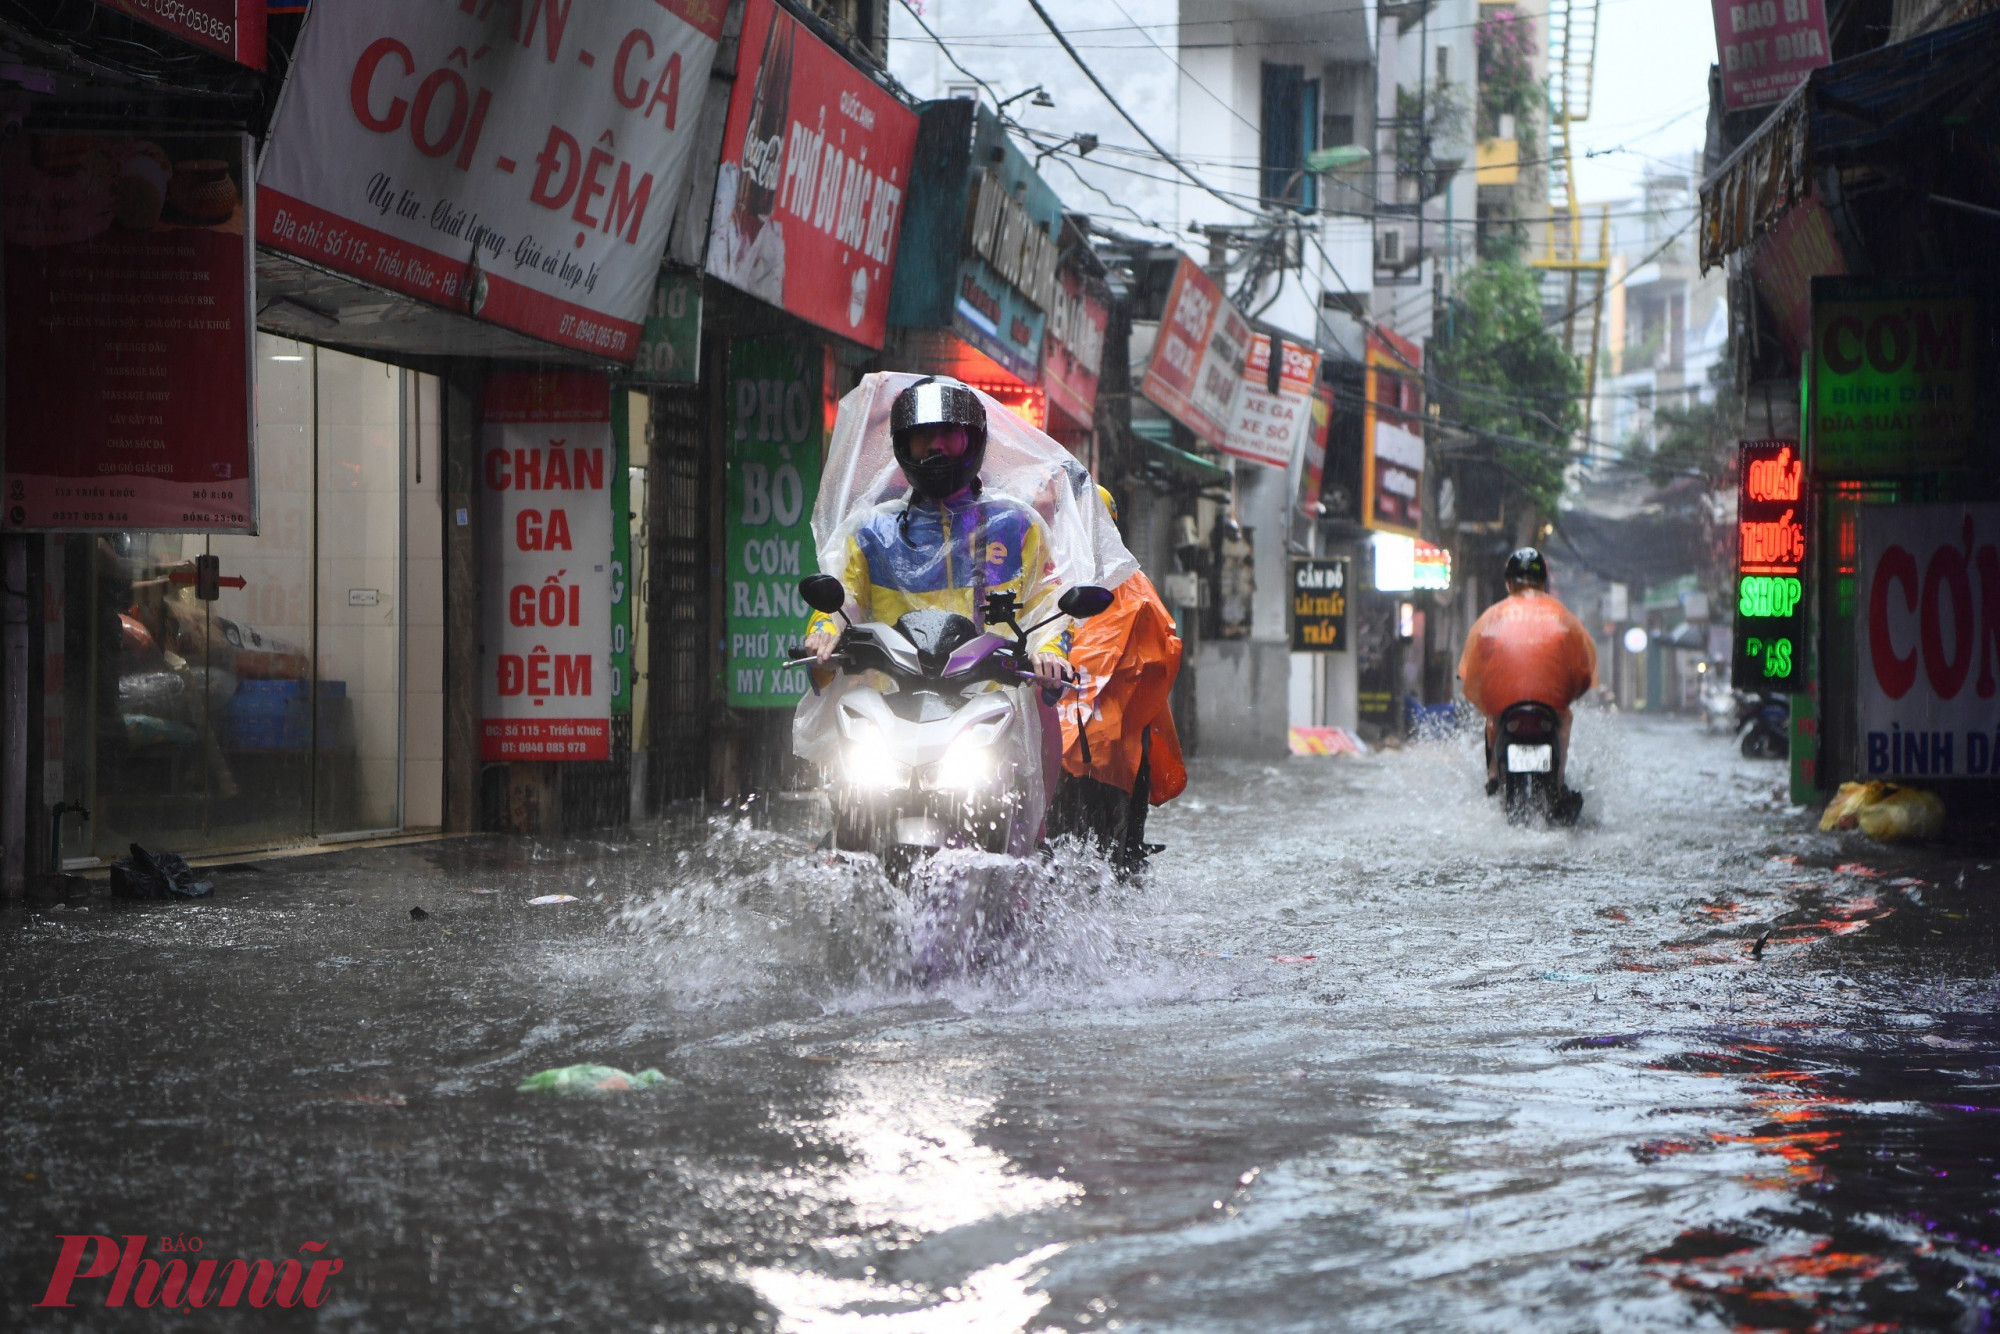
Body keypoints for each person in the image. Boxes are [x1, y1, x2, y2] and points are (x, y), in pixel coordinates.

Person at [803, 376, 1072, 688]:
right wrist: (823, 634)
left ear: (972, 438)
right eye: (922, 435)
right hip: (891, 711)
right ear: (903, 444)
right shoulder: (871, 532)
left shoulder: (1018, 526)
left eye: (948, 432)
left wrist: (1050, 652)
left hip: (993, 709)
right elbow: (838, 605)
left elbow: (1050, 607)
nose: (935, 445)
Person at [1050, 487, 1188, 871]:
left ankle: (1130, 850)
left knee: (1111, 849)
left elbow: (1161, 654)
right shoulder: (1047, 572)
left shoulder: (1132, 588)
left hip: (1108, 738)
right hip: (1058, 728)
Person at [1457, 547, 1597, 797]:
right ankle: (1558, 783)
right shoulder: (1563, 617)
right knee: (1565, 718)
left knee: (1492, 718)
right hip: (1548, 710)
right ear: (1544, 582)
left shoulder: (1492, 617)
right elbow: (1584, 669)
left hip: (1507, 712)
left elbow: (1472, 668)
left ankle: (1493, 776)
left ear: (1509, 582)